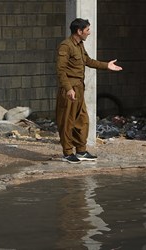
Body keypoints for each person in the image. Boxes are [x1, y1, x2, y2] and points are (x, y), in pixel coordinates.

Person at [56, 18, 123, 163]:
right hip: (70, 89)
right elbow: (61, 70)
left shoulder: (79, 45)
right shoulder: (66, 46)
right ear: (79, 31)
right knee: (67, 121)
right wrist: (68, 89)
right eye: (87, 30)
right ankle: (68, 153)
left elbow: (89, 61)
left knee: (82, 120)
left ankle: (81, 150)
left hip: (79, 88)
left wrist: (107, 66)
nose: (89, 33)